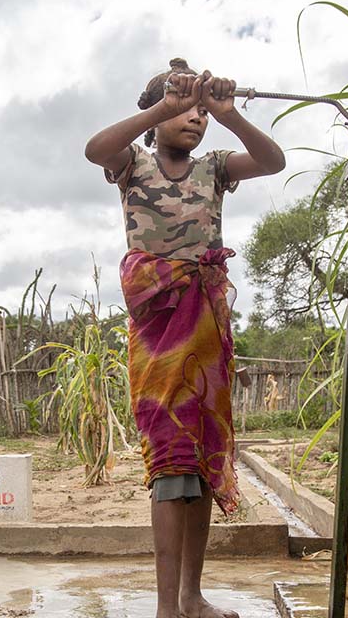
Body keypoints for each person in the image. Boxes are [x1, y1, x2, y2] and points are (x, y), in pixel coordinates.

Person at [85, 58, 285, 618]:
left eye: (201, 111)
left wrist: (231, 115)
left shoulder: (216, 169)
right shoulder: (133, 166)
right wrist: (162, 105)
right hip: (157, 335)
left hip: (205, 330)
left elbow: (273, 160)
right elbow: (94, 148)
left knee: (201, 461)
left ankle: (192, 597)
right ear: (156, 116)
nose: (195, 118)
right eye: (185, 109)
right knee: (171, 463)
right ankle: (166, 608)